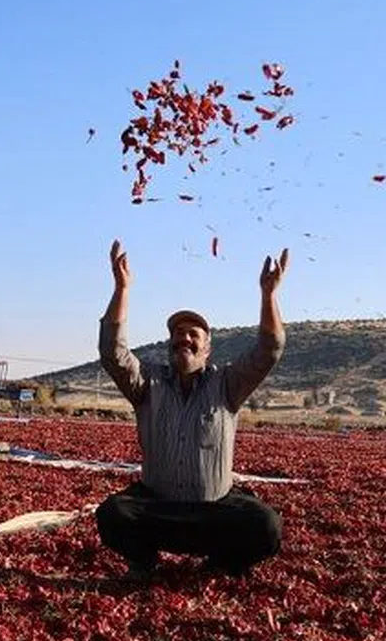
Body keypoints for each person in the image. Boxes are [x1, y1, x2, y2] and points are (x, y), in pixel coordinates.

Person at [95, 238, 289, 580]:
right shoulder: (147, 384)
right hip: (158, 508)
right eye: (178, 333)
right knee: (113, 513)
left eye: (193, 334)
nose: (184, 338)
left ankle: (222, 562)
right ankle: (144, 560)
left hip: (214, 511)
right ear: (169, 344)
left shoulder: (227, 385)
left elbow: (269, 350)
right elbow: (112, 352)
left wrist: (268, 296)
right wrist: (122, 288)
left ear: (207, 349)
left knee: (266, 525)